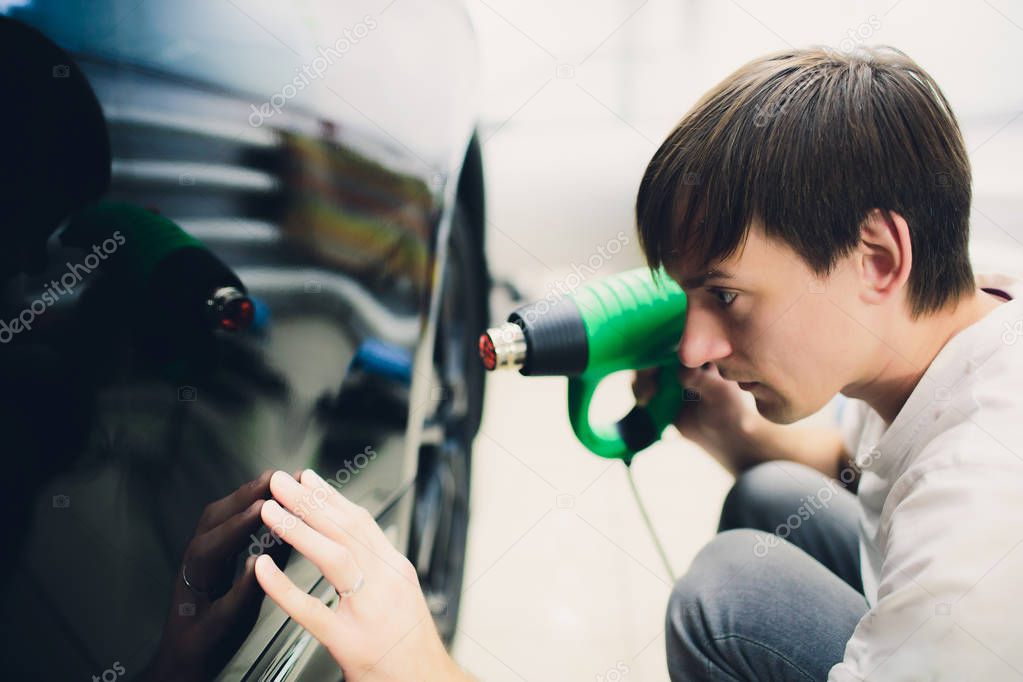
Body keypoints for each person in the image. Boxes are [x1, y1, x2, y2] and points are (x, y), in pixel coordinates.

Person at [253, 45, 1023, 681]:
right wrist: (741, 440)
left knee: (724, 595)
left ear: (878, 258)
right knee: (770, 493)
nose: (694, 349)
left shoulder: (981, 515)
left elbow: (944, 506)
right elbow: (874, 471)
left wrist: (419, 668)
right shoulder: (959, 314)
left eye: (725, 295)